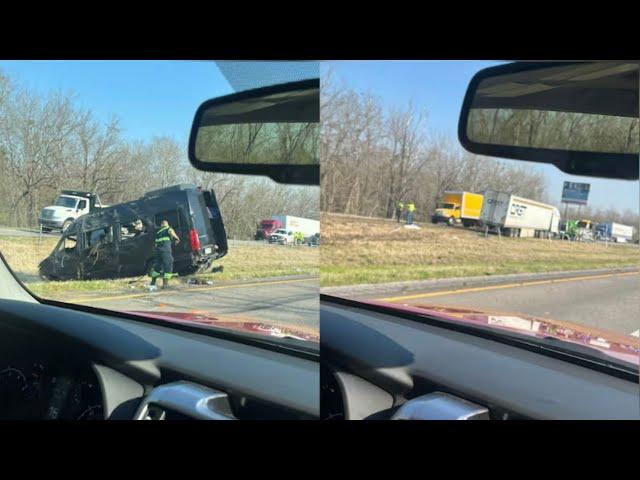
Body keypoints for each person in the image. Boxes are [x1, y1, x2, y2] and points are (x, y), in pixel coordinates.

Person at [149, 219, 180, 290]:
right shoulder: (168, 229)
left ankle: (153, 283)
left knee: (157, 266)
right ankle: (165, 285)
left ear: (161, 225)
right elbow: (171, 232)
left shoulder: (158, 233)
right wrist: (176, 238)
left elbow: (155, 244)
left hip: (158, 252)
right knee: (168, 265)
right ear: (166, 224)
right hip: (165, 251)